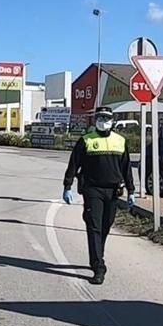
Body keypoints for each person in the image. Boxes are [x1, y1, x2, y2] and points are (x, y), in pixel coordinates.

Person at [62, 106, 136, 284]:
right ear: (95, 120)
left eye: (106, 117)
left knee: (106, 225)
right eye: (100, 117)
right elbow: (74, 164)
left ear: (112, 120)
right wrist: (67, 186)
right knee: (94, 226)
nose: (103, 120)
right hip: (92, 189)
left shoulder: (120, 141)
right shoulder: (86, 140)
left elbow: (126, 168)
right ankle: (98, 267)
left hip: (113, 190)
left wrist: (132, 191)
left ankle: (97, 255)